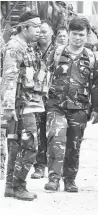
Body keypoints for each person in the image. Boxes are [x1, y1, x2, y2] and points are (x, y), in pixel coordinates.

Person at [44, 17, 98, 192]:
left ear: (87, 35)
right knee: (56, 139)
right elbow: (43, 74)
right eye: (74, 34)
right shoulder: (56, 53)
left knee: (74, 144)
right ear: (68, 34)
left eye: (81, 35)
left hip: (79, 108)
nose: (77, 38)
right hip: (56, 106)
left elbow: (96, 85)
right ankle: (54, 178)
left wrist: (97, 109)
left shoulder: (91, 57)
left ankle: (70, 179)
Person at [1, 11, 42, 201]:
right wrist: (8, 107)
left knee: (17, 146)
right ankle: (18, 186)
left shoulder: (28, 46)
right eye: (36, 27)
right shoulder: (15, 47)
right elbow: (9, 76)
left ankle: (10, 186)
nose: (39, 31)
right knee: (30, 144)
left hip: (28, 102)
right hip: (19, 105)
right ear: (24, 28)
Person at [31, 20, 56, 179]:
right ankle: (39, 166)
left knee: (54, 132)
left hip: (55, 97)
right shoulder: (30, 50)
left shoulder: (59, 51)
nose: (41, 34)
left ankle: (55, 166)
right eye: (38, 31)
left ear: (52, 33)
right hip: (35, 96)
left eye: (44, 31)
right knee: (38, 131)